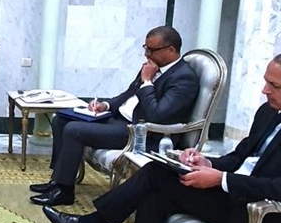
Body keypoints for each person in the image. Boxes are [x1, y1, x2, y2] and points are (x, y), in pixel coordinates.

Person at [42, 55, 281, 223]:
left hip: (262, 215)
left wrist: (221, 179)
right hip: (235, 193)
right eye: (265, 82)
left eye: (274, 85)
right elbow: (239, 157)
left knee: (156, 174)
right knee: (154, 198)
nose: (264, 90)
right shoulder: (268, 113)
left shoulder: (183, 79)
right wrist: (207, 162)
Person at [29, 26, 199, 206]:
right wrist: (106, 105)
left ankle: (64, 191)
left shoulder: (184, 78)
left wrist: (147, 82)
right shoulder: (153, 67)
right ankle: (57, 179)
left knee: (73, 130)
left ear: (171, 50)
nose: (146, 54)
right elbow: (128, 94)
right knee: (61, 119)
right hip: (117, 119)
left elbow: (157, 114)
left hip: (141, 133)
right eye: (145, 48)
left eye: (151, 50)